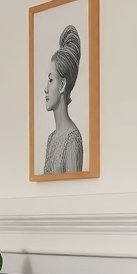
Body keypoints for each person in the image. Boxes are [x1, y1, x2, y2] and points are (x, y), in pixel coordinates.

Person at [42, 25, 83, 174]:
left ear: (62, 85)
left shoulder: (72, 139)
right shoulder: (51, 139)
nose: (45, 88)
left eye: (51, 80)